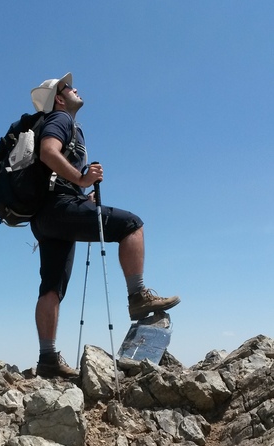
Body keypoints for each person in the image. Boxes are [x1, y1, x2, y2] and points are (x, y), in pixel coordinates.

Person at [30, 72, 180, 379]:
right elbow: (48, 153)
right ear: (59, 98)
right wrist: (82, 179)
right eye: (68, 87)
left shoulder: (62, 124)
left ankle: (47, 358)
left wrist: (80, 188)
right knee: (132, 225)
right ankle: (137, 296)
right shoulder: (61, 121)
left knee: (51, 288)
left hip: (45, 217)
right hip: (59, 207)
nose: (75, 88)